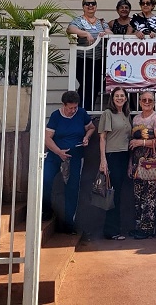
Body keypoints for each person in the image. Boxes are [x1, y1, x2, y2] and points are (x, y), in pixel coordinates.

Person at [42, 91, 96, 234]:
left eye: (75, 107)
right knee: (45, 180)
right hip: (56, 154)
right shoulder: (56, 116)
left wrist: (87, 137)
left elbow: (91, 128)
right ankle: (45, 211)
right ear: (63, 105)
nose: (73, 110)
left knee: (72, 188)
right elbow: (47, 138)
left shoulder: (81, 113)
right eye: (70, 108)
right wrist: (59, 152)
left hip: (75, 155)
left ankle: (69, 222)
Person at [129, 91, 156, 239]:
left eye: (150, 100)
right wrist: (130, 164)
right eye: (144, 99)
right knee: (138, 195)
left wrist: (141, 142)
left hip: (151, 162)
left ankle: (148, 228)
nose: (147, 102)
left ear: (154, 103)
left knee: (150, 195)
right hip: (137, 162)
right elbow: (132, 143)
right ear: (139, 102)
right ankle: (139, 226)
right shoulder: (136, 119)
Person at [98, 87, 132, 240]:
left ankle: (114, 229)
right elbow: (102, 138)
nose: (119, 98)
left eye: (122, 96)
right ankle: (111, 231)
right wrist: (103, 160)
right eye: (117, 96)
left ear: (125, 98)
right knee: (112, 194)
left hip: (124, 156)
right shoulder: (107, 114)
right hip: (112, 156)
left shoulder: (126, 115)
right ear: (112, 98)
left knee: (118, 193)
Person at [67, 0, 111, 109]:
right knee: (86, 85)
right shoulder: (79, 20)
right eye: (87, 4)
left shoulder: (101, 22)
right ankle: (81, 110)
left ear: (96, 6)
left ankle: (88, 110)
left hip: (98, 60)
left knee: (95, 86)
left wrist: (105, 34)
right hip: (82, 59)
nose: (90, 6)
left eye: (93, 3)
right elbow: (70, 29)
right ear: (83, 7)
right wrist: (86, 33)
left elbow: (109, 32)